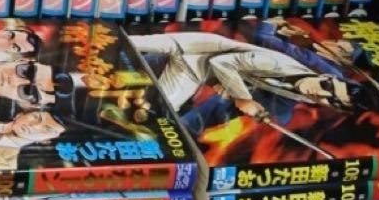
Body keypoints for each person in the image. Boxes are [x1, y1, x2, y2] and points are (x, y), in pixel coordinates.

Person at [130, 30, 362, 136]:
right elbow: (222, 62)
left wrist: (233, 91)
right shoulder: (279, 64)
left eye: (332, 101)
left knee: (155, 116)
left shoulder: (301, 95)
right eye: (327, 87)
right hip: (196, 48)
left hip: (193, 70)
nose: (321, 94)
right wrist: (243, 98)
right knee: (130, 44)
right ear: (327, 77)